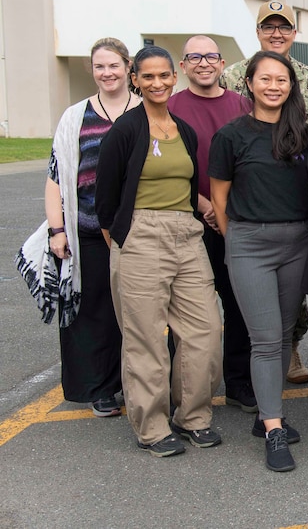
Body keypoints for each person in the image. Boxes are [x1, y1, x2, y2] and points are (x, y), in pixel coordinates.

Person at [96, 45, 222, 458]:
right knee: (145, 338)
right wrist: (120, 242)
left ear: (175, 76)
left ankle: (193, 416)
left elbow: (189, 188)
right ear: (135, 79)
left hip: (186, 235)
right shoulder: (126, 130)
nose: (157, 83)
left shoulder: (182, 129)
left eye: (164, 75)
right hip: (141, 236)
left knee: (205, 330)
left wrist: (208, 211)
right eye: (147, 77)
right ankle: (151, 425)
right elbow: (106, 198)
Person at [210, 50, 308, 473]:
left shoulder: (303, 134)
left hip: (297, 240)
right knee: (266, 341)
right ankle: (273, 427)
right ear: (249, 83)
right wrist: (236, 240)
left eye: (282, 80)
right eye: (265, 79)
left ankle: (262, 414)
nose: (274, 86)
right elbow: (219, 197)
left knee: (284, 333)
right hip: (249, 242)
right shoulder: (231, 135)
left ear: (292, 86)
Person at [221, 0, 308, 385]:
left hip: (298, 196)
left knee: (290, 295)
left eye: (284, 27)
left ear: (294, 33)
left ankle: (290, 347)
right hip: (249, 196)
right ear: (259, 31)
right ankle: (249, 368)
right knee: (246, 296)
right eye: (269, 26)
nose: (276, 33)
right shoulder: (232, 76)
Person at [40, 38, 141, 417]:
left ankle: (137, 384)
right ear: (92, 70)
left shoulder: (148, 108)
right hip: (87, 231)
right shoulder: (75, 116)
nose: (107, 73)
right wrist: (57, 230)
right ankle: (101, 388)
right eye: (99, 66)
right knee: (94, 314)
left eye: (113, 65)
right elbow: (56, 176)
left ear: (128, 67)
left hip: (137, 231)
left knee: (136, 314)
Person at [168, 36, 256, 415]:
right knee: (189, 314)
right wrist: (204, 205)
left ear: (223, 65)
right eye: (195, 57)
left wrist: (226, 209)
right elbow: (168, 168)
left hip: (235, 221)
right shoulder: (170, 107)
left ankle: (239, 384)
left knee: (239, 306)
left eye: (211, 57)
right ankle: (187, 390)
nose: (204, 63)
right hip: (189, 225)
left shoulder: (242, 105)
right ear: (183, 67)